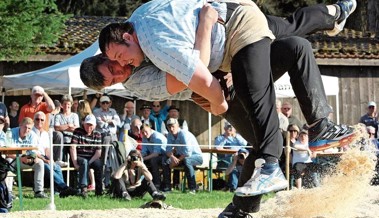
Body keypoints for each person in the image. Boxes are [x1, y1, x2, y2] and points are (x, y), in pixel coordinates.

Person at [81, 1, 358, 216]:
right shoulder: (140, 82)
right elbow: (198, 76)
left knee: (295, 42)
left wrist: (211, 13)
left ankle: (332, 15)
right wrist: (207, 25)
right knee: (267, 142)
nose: (121, 70)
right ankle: (243, 206)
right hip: (221, 88)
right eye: (114, 77)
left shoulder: (144, 26)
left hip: (234, 43)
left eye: (115, 64)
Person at [32, 112, 77, 198]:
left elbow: (47, 149)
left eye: (42, 120)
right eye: (37, 119)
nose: (39, 121)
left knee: (57, 167)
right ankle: (64, 188)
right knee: (47, 166)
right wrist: (46, 160)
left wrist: (51, 159)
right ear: (34, 120)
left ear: (45, 121)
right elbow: (33, 152)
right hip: (35, 157)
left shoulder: (45, 134)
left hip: (43, 157)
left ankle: (58, 191)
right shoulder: (31, 133)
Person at [6, 117, 48, 198]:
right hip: (14, 159)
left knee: (40, 163)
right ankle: (9, 192)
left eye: (29, 128)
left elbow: (34, 151)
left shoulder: (32, 135)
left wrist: (34, 157)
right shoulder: (11, 133)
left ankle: (39, 191)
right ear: (20, 125)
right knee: (8, 160)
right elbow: (7, 153)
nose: (27, 130)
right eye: (25, 127)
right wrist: (21, 158)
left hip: (26, 159)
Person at [162, 118, 203, 194]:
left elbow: (187, 153)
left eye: (173, 126)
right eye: (169, 127)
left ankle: (192, 188)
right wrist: (172, 157)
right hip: (181, 156)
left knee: (187, 160)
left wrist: (177, 160)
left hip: (196, 157)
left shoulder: (184, 134)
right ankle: (167, 188)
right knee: (165, 160)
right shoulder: (170, 135)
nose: (171, 128)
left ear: (177, 126)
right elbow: (167, 150)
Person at [70, 114, 103, 197]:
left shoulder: (98, 134)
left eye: (91, 125)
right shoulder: (77, 131)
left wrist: (89, 162)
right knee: (84, 162)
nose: (89, 127)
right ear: (84, 124)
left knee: (99, 164)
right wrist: (75, 163)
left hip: (92, 158)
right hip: (79, 157)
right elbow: (72, 147)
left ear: (95, 126)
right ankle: (83, 188)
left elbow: (98, 152)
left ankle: (99, 191)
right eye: (87, 124)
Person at [54, 95, 80, 166]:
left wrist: (62, 127)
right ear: (61, 105)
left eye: (68, 104)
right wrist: (69, 125)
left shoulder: (75, 116)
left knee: (74, 162)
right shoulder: (58, 116)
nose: (66, 106)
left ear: (71, 104)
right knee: (62, 162)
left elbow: (76, 129)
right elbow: (57, 128)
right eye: (64, 104)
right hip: (62, 142)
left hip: (72, 141)